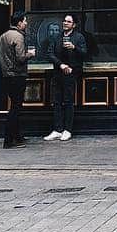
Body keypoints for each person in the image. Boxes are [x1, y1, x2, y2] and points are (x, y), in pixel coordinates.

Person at [44, 13, 88, 142]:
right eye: (64, 21)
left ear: (74, 25)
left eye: (68, 22)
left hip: (71, 73)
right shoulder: (57, 37)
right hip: (58, 73)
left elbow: (85, 53)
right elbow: (50, 53)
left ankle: (67, 130)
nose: (65, 23)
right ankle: (57, 129)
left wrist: (74, 47)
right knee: (57, 102)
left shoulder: (79, 37)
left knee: (68, 102)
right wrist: (61, 65)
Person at [0, 11, 29, 148]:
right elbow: (21, 58)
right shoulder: (18, 37)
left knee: (14, 106)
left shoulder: (3, 36)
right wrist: (30, 54)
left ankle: (17, 136)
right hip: (17, 76)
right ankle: (9, 140)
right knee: (16, 108)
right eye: (25, 21)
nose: (26, 23)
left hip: (6, 76)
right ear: (20, 23)